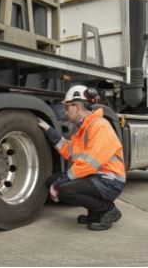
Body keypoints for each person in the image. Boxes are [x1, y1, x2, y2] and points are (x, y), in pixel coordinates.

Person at [36, 85, 126, 231]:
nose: (65, 112)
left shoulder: (99, 126)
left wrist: (61, 182)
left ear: (76, 107)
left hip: (110, 181)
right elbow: (69, 151)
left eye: (67, 107)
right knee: (50, 182)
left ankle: (107, 210)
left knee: (65, 190)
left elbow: (89, 164)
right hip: (97, 177)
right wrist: (49, 131)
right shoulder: (84, 128)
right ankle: (95, 212)